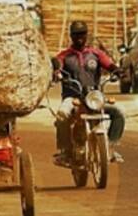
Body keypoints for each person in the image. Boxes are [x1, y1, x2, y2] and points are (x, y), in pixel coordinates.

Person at [54, 21, 126, 165]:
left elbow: (109, 64)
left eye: (82, 34)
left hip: (93, 98)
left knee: (118, 113)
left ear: (86, 35)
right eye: (76, 34)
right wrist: (55, 72)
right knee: (62, 115)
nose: (79, 37)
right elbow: (57, 67)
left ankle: (110, 147)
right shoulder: (64, 56)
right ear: (71, 36)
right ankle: (65, 151)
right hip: (73, 97)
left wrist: (117, 70)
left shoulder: (95, 54)